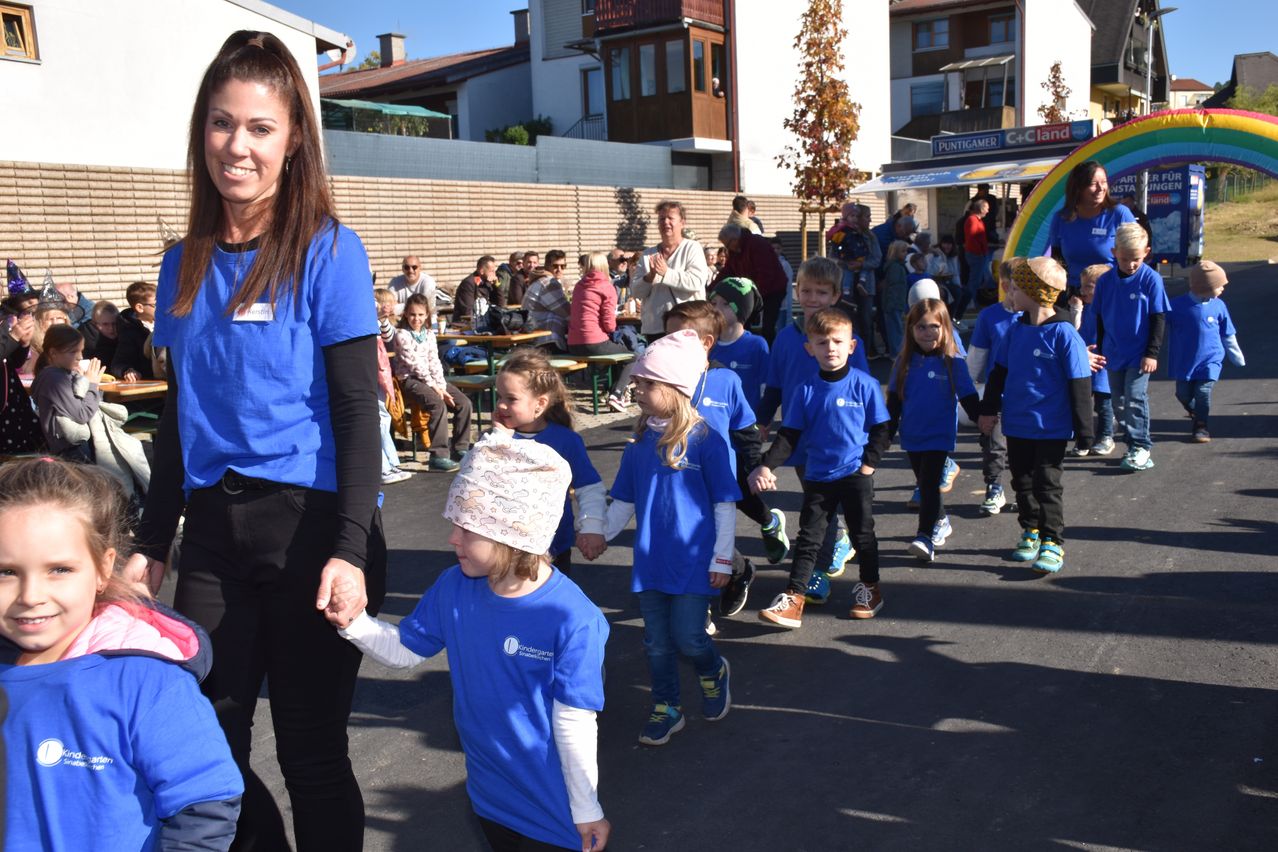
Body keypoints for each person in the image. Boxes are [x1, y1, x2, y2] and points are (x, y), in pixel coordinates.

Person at [128, 31, 389, 851]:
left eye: (259, 127)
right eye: (220, 123)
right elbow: (181, 412)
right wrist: (151, 542)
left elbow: (356, 411)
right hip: (213, 528)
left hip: (313, 525)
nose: (236, 145)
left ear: (294, 139)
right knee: (209, 749)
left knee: (312, 755)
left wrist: (349, 547)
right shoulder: (182, 264)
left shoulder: (328, 250)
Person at [327, 432, 611, 852]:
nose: (452, 539)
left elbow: (574, 723)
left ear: (514, 534)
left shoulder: (575, 619)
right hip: (489, 793)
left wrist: (586, 807)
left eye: (467, 527)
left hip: (555, 805)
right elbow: (407, 649)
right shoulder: (455, 587)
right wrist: (353, 622)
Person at [0, 458, 243, 851]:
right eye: (5, 572)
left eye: (59, 569)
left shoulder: (146, 682)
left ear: (103, 568)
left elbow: (205, 802)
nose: (30, 596)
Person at [598, 329, 737, 746]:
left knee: (690, 638)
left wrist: (723, 558)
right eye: (637, 381)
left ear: (675, 389)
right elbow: (622, 500)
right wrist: (598, 534)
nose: (636, 388)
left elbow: (724, 505)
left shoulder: (706, 441)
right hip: (651, 562)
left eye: (646, 383)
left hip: (695, 563)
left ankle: (713, 671)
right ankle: (667, 706)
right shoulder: (638, 445)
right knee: (656, 643)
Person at [750, 307, 890, 624]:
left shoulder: (865, 385)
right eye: (823, 342)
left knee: (863, 536)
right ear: (809, 349)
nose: (831, 349)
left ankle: (870, 588)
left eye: (838, 342)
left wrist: (868, 465)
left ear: (851, 346)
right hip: (819, 477)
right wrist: (766, 466)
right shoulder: (805, 390)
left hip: (856, 475)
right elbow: (789, 435)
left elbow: (882, 430)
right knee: (809, 539)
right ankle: (794, 598)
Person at [663, 301, 786, 620]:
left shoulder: (726, 381)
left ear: (706, 343)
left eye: (677, 337)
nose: (668, 345)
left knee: (704, 540)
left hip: (719, 477)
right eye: (666, 337)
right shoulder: (663, 380)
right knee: (689, 539)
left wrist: (758, 466)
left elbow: (745, 429)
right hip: (679, 477)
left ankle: (702, 604)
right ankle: (737, 571)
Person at [756, 257, 870, 599]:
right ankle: (835, 542)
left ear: (835, 295)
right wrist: (762, 420)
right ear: (796, 291)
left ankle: (818, 570)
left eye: (821, 292)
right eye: (806, 290)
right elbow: (775, 386)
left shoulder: (847, 340)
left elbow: (861, 387)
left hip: (837, 437)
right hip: (799, 438)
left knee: (820, 508)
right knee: (817, 503)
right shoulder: (785, 339)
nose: (812, 298)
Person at [979, 257, 1094, 575]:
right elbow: (998, 374)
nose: (1010, 295)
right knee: (1022, 482)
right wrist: (987, 411)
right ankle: (1030, 530)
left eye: (1015, 289)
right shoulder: (1015, 331)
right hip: (1017, 425)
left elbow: (1079, 384)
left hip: (1051, 428)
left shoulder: (1064, 334)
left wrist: (1086, 430)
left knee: (1047, 484)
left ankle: (1052, 541)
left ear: (1036, 293)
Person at [495, 348, 607, 576]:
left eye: (511, 399)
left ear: (540, 403)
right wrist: (497, 439)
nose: (501, 405)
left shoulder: (565, 441)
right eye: (499, 396)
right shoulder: (497, 438)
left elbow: (589, 487)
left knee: (547, 606)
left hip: (552, 547)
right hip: (502, 546)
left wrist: (592, 528)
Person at [887, 299, 981, 562]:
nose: (927, 333)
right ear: (911, 330)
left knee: (928, 484)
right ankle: (941, 520)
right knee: (925, 484)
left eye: (933, 327)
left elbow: (969, 397)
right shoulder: (903, 364)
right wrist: (884, 435)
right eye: (921, 327)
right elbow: (893, 402)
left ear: (945, 328)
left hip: (939, 437)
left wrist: (984, 421)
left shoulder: (953, 363)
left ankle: (925, 536)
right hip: (912, 436)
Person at [1093, 222, 1170, 472]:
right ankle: (1131, 442)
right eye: (1125, 259)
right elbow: (1101, 317)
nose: (1131, 264)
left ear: (1146, 252)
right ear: (1114, 253)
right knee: (1118, 401)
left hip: (1139, 353)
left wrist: (1152, 353)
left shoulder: (1151, 280)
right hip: (1114, 351)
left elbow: (1158, 318)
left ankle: (1141, 444)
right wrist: (1101, 347)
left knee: (1135, 398)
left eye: (1136, 258)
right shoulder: (1105, 281)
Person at [967, 259, 1023, 515]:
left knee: (1025, 448)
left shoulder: (1036, 315)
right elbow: (978, 354)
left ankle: (1026, 491)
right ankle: (994, 487)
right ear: (1004, 286)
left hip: (1029, 395)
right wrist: (970, 388)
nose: (1022, 293)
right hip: (997, 393)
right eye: (1016, 287)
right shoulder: (990, 316)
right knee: (993, 444)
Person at [1167, 260, 1244, 443]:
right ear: (1205, 287)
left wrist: (1237, 357)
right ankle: (1196, 411)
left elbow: (1228, 334)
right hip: (1184, 361)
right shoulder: (1177, 306)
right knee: (1182, 394)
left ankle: (1201, 425)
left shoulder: (1219, 306)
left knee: (1202, 391)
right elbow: (1157, 322)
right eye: (1219, 286)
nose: (1222, 289)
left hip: (1210, 359)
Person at [394, 293, 471, 472]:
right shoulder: (402, 335)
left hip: (432, 380)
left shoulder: (428, 334)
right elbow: (415, 365)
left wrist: (442, 386)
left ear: (427, 315)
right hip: (410, 380)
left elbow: (434, 361)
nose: (417, 319)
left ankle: (460, 448)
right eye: (413, 314)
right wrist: (437, 389)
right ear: (406, 314)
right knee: (437, 404)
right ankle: (438, 455)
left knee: (464, 403)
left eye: (421, 315)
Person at [1046, 160, 1137, 289]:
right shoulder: (1061, 218)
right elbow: (1057, 262)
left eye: (1104, 182)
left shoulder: (1119, 214)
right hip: (1074, 294)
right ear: (1078, 187)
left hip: (1111, 290)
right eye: (1093, 184)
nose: (1101, 188)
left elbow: (1134, 256)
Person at [630, 200, 711, 338]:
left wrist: (666, 273)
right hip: (655, 329)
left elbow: (696, 281)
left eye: (670, 218)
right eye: (661, 219)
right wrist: (649, 277)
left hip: (688, 326)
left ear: (682, 222)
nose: (665, 222)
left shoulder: (692, 248)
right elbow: (636, 292)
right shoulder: (648, 254)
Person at [567, 251, 635, 409]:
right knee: (632, 357)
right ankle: (616, 395)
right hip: (594, 341)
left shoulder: (579, 286)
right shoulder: (606, 286)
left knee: (617, 354)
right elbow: (609, 324)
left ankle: (609, 392)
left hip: (574, 343)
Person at [1066, 263, 1117, 457]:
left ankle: (1106, 436)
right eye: (1082, 285)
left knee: (1104, 403)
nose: (1082, 290)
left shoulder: (1109, 309)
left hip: (1103, 362)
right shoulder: (1083, 309)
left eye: (1089, 286)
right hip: (1083, 362)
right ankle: (1084, 438)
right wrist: (1076, 310)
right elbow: (1073, 332)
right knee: (1081, 402)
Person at [714, 223, 789, 344]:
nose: (727, 248)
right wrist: (713, 288)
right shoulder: (734, 251)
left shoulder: (757, 244)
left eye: (727, 244)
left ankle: (768, 351)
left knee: (768, 326)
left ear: (735, 239)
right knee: (744, 322)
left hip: (773, 289)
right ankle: (744, 345)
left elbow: (765, 273)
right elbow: (728, 271)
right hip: (753, 290)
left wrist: (753, 297)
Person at [710, 277, 770, 417]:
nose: (716, 309)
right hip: (714, 422)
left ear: (743, 310)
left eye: (726, 304)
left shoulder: (756, 345)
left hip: (746, 422)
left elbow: (765, 387)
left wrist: (763, 419)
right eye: (713, 303)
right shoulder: (708, 343)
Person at [373, 288, 411, 485]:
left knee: (384, 416)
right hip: (371, 371)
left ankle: (391, 462)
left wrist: (382, 318)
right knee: (379, 418)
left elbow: (389, 338)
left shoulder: (380, 322)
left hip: (381, 372)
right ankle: (382, 468)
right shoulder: (365, 315)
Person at [1, 292, 42, 453]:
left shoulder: (4, 319)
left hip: (12, 399)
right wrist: (13, 337)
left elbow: (13, 362)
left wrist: (23, 344)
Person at [523, 250, 571, 351]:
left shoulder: (540, 279)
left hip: (532, 336)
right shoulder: (549, 283)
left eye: (563, 266)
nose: (559, 270)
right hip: (544, 342)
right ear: (547, 266)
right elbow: (567, 313)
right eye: (555, 266)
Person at [111, 280, 157, 382]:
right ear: (140, 308)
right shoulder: (130, 331)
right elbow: (117, 364)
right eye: (156, 304)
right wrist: (127, 370)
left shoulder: (165, 324)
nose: (162, 308)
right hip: (149, 384)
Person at [956, 198, 992, 321]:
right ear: (981, 209)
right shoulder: (972, 220)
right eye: (986, 208)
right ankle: (969, 302)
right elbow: (972, 238)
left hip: (977, 253)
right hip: (976, 254)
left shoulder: (975, 220)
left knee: (977, 279)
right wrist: (980, 252)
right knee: (974, 280)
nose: (988, 210)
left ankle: (971, 301)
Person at [881, 240, 911, 357]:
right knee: (895, 329)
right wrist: (892, 303)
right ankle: (896, 353)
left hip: (897, 302)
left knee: (897, 328)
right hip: (893, 303)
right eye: (903, 251)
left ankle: (897, 352)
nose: (905, 253)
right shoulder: (895, 267)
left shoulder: (898, 266)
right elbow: (893, 287)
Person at [455, 255, 502, 322]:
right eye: (491, 271)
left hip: (485, 322)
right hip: (466, 324)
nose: (494, 274)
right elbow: (467, 311)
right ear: (481, 271)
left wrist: (497, 285)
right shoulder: (469, 283)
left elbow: (500, 305)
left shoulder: (488, 283)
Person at [80, 300, 120, 366]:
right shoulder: (84, 342)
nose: (111, 328)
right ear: (94, 324)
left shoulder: (125, 337)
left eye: (114, 323)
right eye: (105, 324)